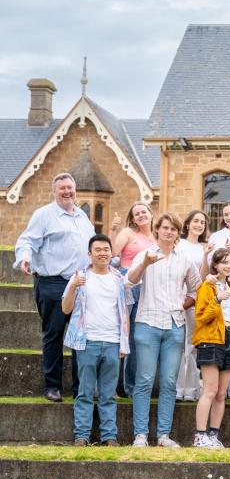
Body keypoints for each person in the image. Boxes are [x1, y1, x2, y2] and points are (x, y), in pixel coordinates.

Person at [14, 172, 95, 402]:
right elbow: (26, 240)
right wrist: (25, 258)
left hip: (79, 283)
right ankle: (53, 386)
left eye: (70, 187)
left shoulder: (82, 216)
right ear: (55, 191)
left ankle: (81, 387)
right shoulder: (44, 215)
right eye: (63, 188)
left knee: (80, 336)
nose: (67, 192)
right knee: (54, 334)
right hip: (52, 283)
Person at [126, 213, 201, 448]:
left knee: (169, 382)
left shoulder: (185, 259)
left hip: (175, 325)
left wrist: (183, 304)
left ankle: (163, 436)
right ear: (157, 230)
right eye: (165, 228)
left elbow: (197, 289)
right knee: (145, 380)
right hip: (147, 323)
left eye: (173, 229)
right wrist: (146, 263)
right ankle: (140, 434)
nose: (168, 232)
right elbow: (129, 281)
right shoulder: (144, 255)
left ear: (178, 233)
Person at [61, 234, 130, 447]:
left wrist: (123, 343)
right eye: (97, 250)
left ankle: (109, 436)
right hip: (87, 342)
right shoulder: (80, 277)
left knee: (108, 393)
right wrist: (73, 286)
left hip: (112, 342)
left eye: (106, 249)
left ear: (111, 252)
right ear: (89, 254)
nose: (102, 253)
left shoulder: (119, 278)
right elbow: (65, 308)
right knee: (85, 391)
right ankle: (81, 435)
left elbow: (125, 311)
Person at [191, 249, 230, 448]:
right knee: (209, 390)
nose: (228, 265)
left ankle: (213, 435)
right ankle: (200, 435)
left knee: (221, 393)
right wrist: (218, 300)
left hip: (229, 337)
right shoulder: (207, 286)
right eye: (224, 262)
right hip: (210, 338)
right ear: (215, 265)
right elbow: (201, 316)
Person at [112, 202, 155, 396]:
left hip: (147, 285)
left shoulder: (157, 236)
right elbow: (112, 253)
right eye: (136, 213)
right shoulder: (128, 233)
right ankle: (111, 385)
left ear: (151, 213)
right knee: (120, 330)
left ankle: (130, 387)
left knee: (137, 336)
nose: (140, 215)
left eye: (143, 212)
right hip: (126, 281)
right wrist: (113, 229)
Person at [176, 210, 212, 402]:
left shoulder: (202, 248)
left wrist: (206, 256)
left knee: (191, 344)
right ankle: (176, 387)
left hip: (194, 300)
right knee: (177, 344)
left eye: (202, 223)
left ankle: (190, 388)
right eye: (196, 221)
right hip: (177, 297)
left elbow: (201, 277)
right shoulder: (179, 244)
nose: (199, 225)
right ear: (188, 223)